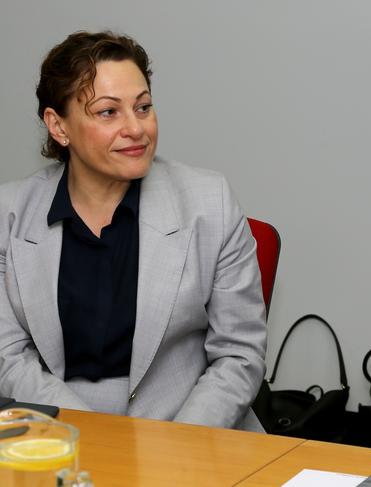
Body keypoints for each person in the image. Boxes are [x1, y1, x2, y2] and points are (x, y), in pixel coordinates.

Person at [0, 31, 267, 431]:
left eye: (143, 108)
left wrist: (176, 445)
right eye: (108, 112)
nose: (136, 129)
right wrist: (91, 438)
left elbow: (239, 355)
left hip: (196, 428)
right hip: (55, 428)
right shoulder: (9, 214)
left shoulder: (210, 201)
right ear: (58, 126)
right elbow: (8, 355)